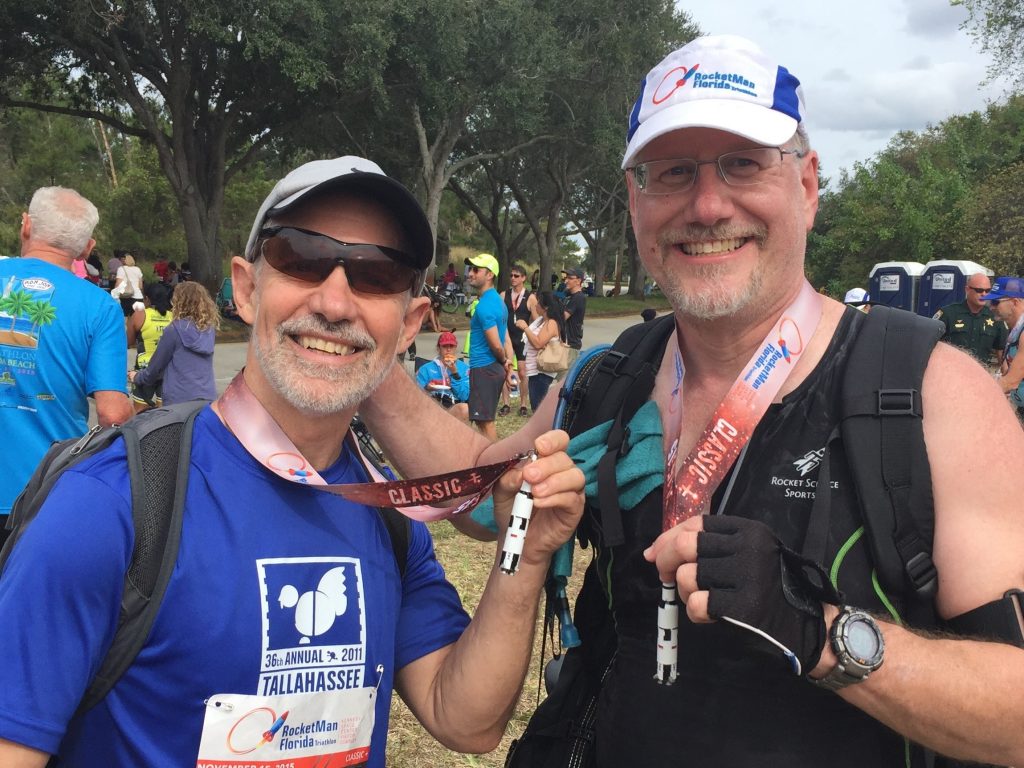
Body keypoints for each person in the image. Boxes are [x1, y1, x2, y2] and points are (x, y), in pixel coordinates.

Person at [357, 35, 1024, 767]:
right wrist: (358, 349)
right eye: (672, 173)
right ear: (637, 199)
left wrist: (820, 634)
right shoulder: (607, 380)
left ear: (806, 185)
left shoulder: (928, 395)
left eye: (742, 163)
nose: (707, 205)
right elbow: (484, 489)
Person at [0, 157, 584, 767]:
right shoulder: (112, 503)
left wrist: (528, 556)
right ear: (247, 290)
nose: (334, 302)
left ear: (409, 324)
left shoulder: (386, 515)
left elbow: (462, 718)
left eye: (376, 273)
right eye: (302, 258)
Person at [0, 186, 133, 544]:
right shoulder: (100, 307)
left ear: (25, 226)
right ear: (88, 248)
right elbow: (112, 414)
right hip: (41, 490)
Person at [128, 281, 218, 405]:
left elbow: (156, 366)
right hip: (207, 396)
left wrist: (138, 377)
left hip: (179, 398)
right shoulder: (209, 330)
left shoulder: (175, 329)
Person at [464, 252, 513, 440]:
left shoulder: (485, 305)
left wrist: (504, 360)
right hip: (490, 368)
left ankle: (495, 464)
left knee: (485, 421)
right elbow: (505, 337)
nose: (470, 273)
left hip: (485, 368)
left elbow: (496, 343)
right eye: (470, 269)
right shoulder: (498, 302)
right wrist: (507, 364)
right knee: (482, 419)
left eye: (476, 270)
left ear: (490, 274)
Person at [933, 272, 1006, 365]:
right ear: (967, 290)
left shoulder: (995, 317)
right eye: (979, 290)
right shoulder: (948, 314)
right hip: (951, 372)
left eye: (987, 290)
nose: (984, 294)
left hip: (980, 374)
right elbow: (930, 345)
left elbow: (1001, 352)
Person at [127, 282, 174, 412]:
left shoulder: (140, 315)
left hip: (144, 369)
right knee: (165, 414)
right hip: (167, 370)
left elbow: (128, 341)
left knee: (140, 413)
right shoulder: (173, 316)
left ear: (147, 298)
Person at [516, 291, 566, 414]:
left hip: (542, 372)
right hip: (535, 369)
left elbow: (538, 343)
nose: (536, 305)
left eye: (538, 303)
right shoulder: (542, 321)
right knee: (536, 405)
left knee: (538, 408)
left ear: (546, 307)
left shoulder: (552, 323)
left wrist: (525, 328)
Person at [983, 276, 1024, 416]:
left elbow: (1011, 382)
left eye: (995, 301)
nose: (991, 306)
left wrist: (975, 397)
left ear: (1014, 301)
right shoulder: (1015, 331)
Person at [416, 330, 470, 422]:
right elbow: (415, 396)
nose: (448, 349)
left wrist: (454, 373)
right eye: (445, 346)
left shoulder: (464, 368)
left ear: (455, 348)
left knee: (465, 409)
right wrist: (427, 388)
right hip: (431, 407)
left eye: (451, 346)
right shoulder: (426, 369)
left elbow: (465, 396)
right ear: (438, 348)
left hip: (454, 409)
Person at [500, 264, 532, 417]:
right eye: (511, 275)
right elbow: (499, 317)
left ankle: (523, 404)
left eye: (516, 276)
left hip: (522, 339)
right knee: (505, 369)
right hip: (507, 337)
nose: (513, 278)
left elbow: (537, 320)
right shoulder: (503, 295)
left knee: (523, 371)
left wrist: (529, 331)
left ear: (524, 278)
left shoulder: (530, 296)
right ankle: (506, 403)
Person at [562, 266, 587, 367]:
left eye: (570, 278)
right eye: (566, 278)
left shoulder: (579, 297)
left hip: (571, 344)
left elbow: (562, 317)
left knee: (565, 379)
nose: (566, 281)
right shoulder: (569, 296)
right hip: (565, 343)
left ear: (578, 281)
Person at [110, 252, 145, 318]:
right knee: (137, 318)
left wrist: (115, 294)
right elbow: (140, 286)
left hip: (125, 296)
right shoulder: (138, 269)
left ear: (125, 260)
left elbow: (118, 284)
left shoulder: (121, 269)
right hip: (138, 297)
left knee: (124, 317)